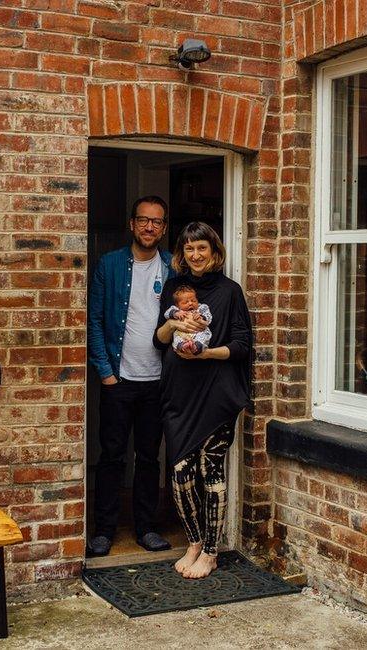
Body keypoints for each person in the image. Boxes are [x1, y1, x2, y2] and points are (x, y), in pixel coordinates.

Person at [153, 222, 253, 579]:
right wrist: (175, 327)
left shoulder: (230, 292)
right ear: (182, 253)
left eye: (202, 249)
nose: (195, 256)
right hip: (179, 392)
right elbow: (159, 338)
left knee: (211, 469)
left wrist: (207, 353)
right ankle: (193, 540)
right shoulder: (174, 289)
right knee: (180, 469)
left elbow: (243, 346)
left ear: (214, 251)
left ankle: (210, 551)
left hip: (218, 393)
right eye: (190, 249)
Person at [87, 196, 175, 557]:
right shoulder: (109, 265)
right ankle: (104, 530)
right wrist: (106, 374)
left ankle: (146, 527)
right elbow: (92, 319)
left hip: (158, 381)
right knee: (111, 456)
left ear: (163, 228)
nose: (149, 227)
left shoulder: (173, 267)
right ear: (132, 224)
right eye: (143, 220)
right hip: (119, 381)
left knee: (149, 457)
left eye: (156, 222)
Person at [162, 285, 213, 355]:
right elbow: (166, 314)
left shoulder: (201, 308)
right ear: (177, 305)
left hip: (199, 331)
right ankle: (182, 346)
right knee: (177, 338)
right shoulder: (176, 309)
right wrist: (175, 313)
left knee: (204, 337)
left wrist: (201, 317)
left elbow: (209, 317)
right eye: (185, 302)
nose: (190, 303)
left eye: (193, 300)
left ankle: (196, 347)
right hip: (181, 333)